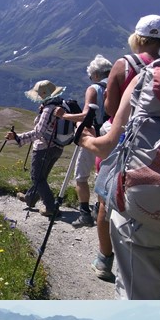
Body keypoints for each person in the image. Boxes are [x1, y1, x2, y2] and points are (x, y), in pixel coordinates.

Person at [77, 0, 160, 300]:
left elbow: (108, 145)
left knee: (135, 299)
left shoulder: (146, 78)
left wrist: (86, 141)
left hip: (138, 212)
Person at [91, 15, 160, 282]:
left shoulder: (124, 65)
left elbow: (111, 108)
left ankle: (105, 259)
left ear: (137, 37)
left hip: (121, 140)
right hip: (156, 144)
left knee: (106, 198)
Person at [56, 55, 112, 229]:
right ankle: (101, 208)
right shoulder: (118, 86)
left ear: (95, 74)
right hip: (114, 134)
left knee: (81, 176)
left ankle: (85, 213)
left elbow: (86, 114)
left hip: (93, 134)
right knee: (106, 174)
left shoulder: (94, 89)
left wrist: (63, 115)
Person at [7, 80, 69, 218]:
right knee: (42, 177)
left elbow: (38, 133)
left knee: (37, 177)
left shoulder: (48, 109)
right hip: (58, 147)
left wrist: (18, 138)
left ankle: (51, 207)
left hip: (43, 148)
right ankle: (30, 198)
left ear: (43, 94)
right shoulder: (62, 104)